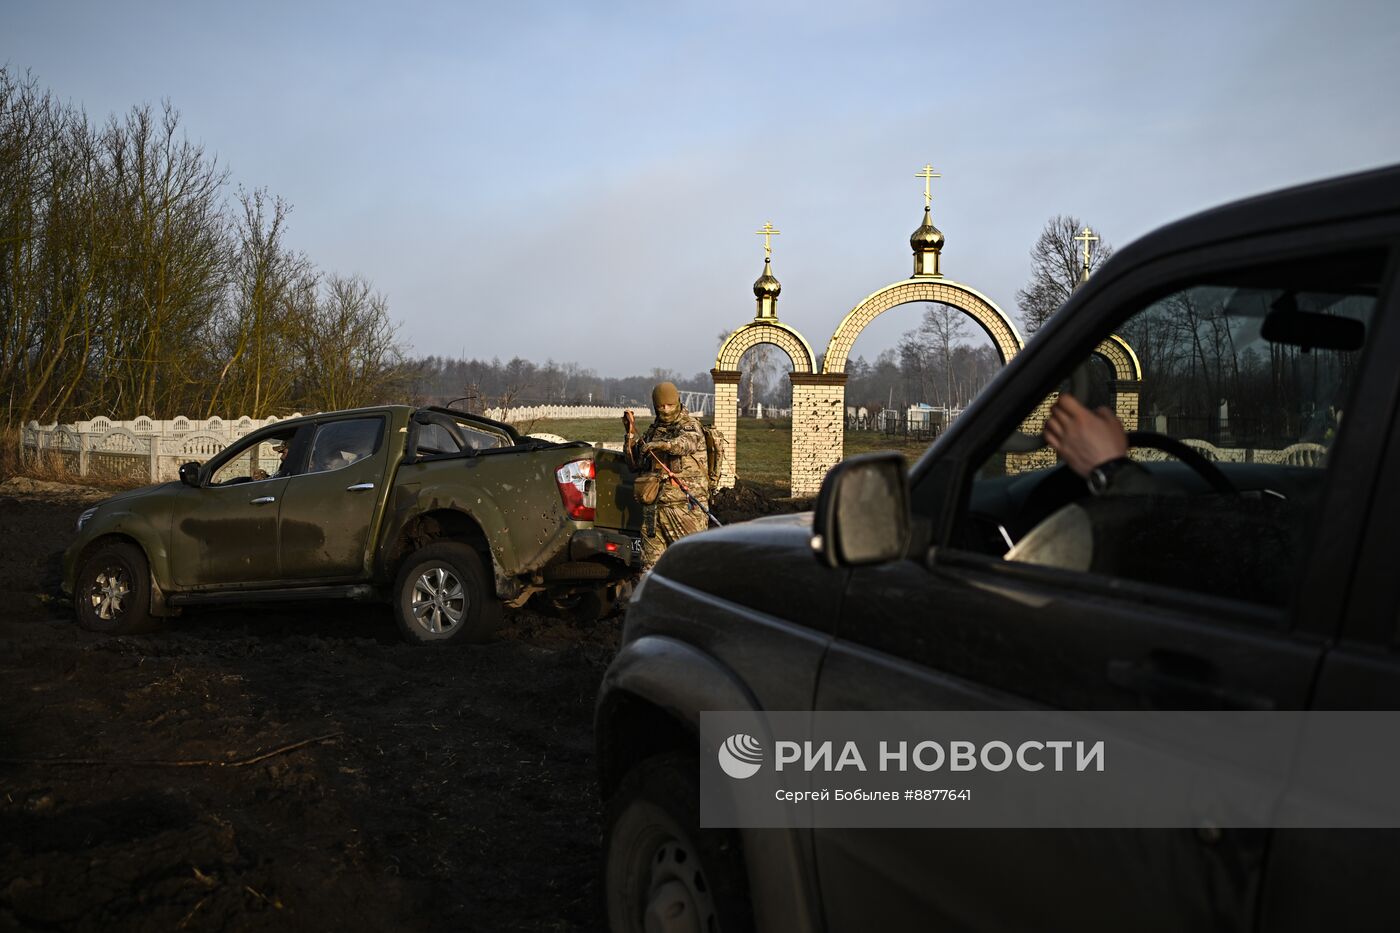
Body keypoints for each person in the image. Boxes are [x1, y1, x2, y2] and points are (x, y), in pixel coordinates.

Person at [623, 382, 710, 571]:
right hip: (654, 510)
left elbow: (685, 444)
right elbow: (634, 464)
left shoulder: (690, 426)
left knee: (691, 567)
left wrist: (662, 446)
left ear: (677, 402)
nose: (666, 410)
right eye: (661, 406)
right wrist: (629, 435)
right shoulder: (653, 431)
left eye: (669, 405)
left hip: (684, 509)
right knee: (650, 569)